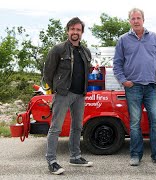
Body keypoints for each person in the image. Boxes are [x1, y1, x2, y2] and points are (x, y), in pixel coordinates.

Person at [113, 8, 156, 166]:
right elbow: (117, 64)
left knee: (155, 121)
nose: (136, 21)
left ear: (143, 20)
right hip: (133, 87)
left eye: (138, 18)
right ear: (129, 21)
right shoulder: (123, 40)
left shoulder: (154, 38)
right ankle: (135, 155)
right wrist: (124, 81)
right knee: (135, 122)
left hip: (151, 87)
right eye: (133, 18)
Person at [44, 17, 93, 175]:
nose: (75, 32)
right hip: (63, 94)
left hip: (80, 94)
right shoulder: (58, 49)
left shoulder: (86, 51)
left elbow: (87, 69)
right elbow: (48, 72)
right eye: (72, 29)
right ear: (68, 31)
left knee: (77, 127)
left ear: (82, 33)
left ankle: (75, 157)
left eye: (78, 30)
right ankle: (51, 161)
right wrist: (55, 89)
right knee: (56, 128)